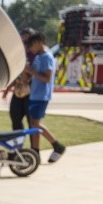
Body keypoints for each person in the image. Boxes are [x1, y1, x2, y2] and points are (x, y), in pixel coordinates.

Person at [24, 31, 67, 162]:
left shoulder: (47, 57)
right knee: (33, 125)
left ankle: (57, 145)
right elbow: (35, 74)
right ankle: (35, 152)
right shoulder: (38, 56)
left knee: (35, 125)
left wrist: (31, 71)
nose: (30, 49)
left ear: (38, 43)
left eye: (31, 46)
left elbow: (47, 78)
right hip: (35, 94)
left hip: (41, 96)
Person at [0, 28, 36, 131]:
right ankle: (18, 145)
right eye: (21, 41)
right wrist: (7, 90)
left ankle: (34, 147)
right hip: (19, 91)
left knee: (31, 121)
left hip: (31, 92)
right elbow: (16, 74)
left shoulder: (36, 55)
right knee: (15, 118)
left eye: (26, 42)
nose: (24, 44)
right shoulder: (19, 55)